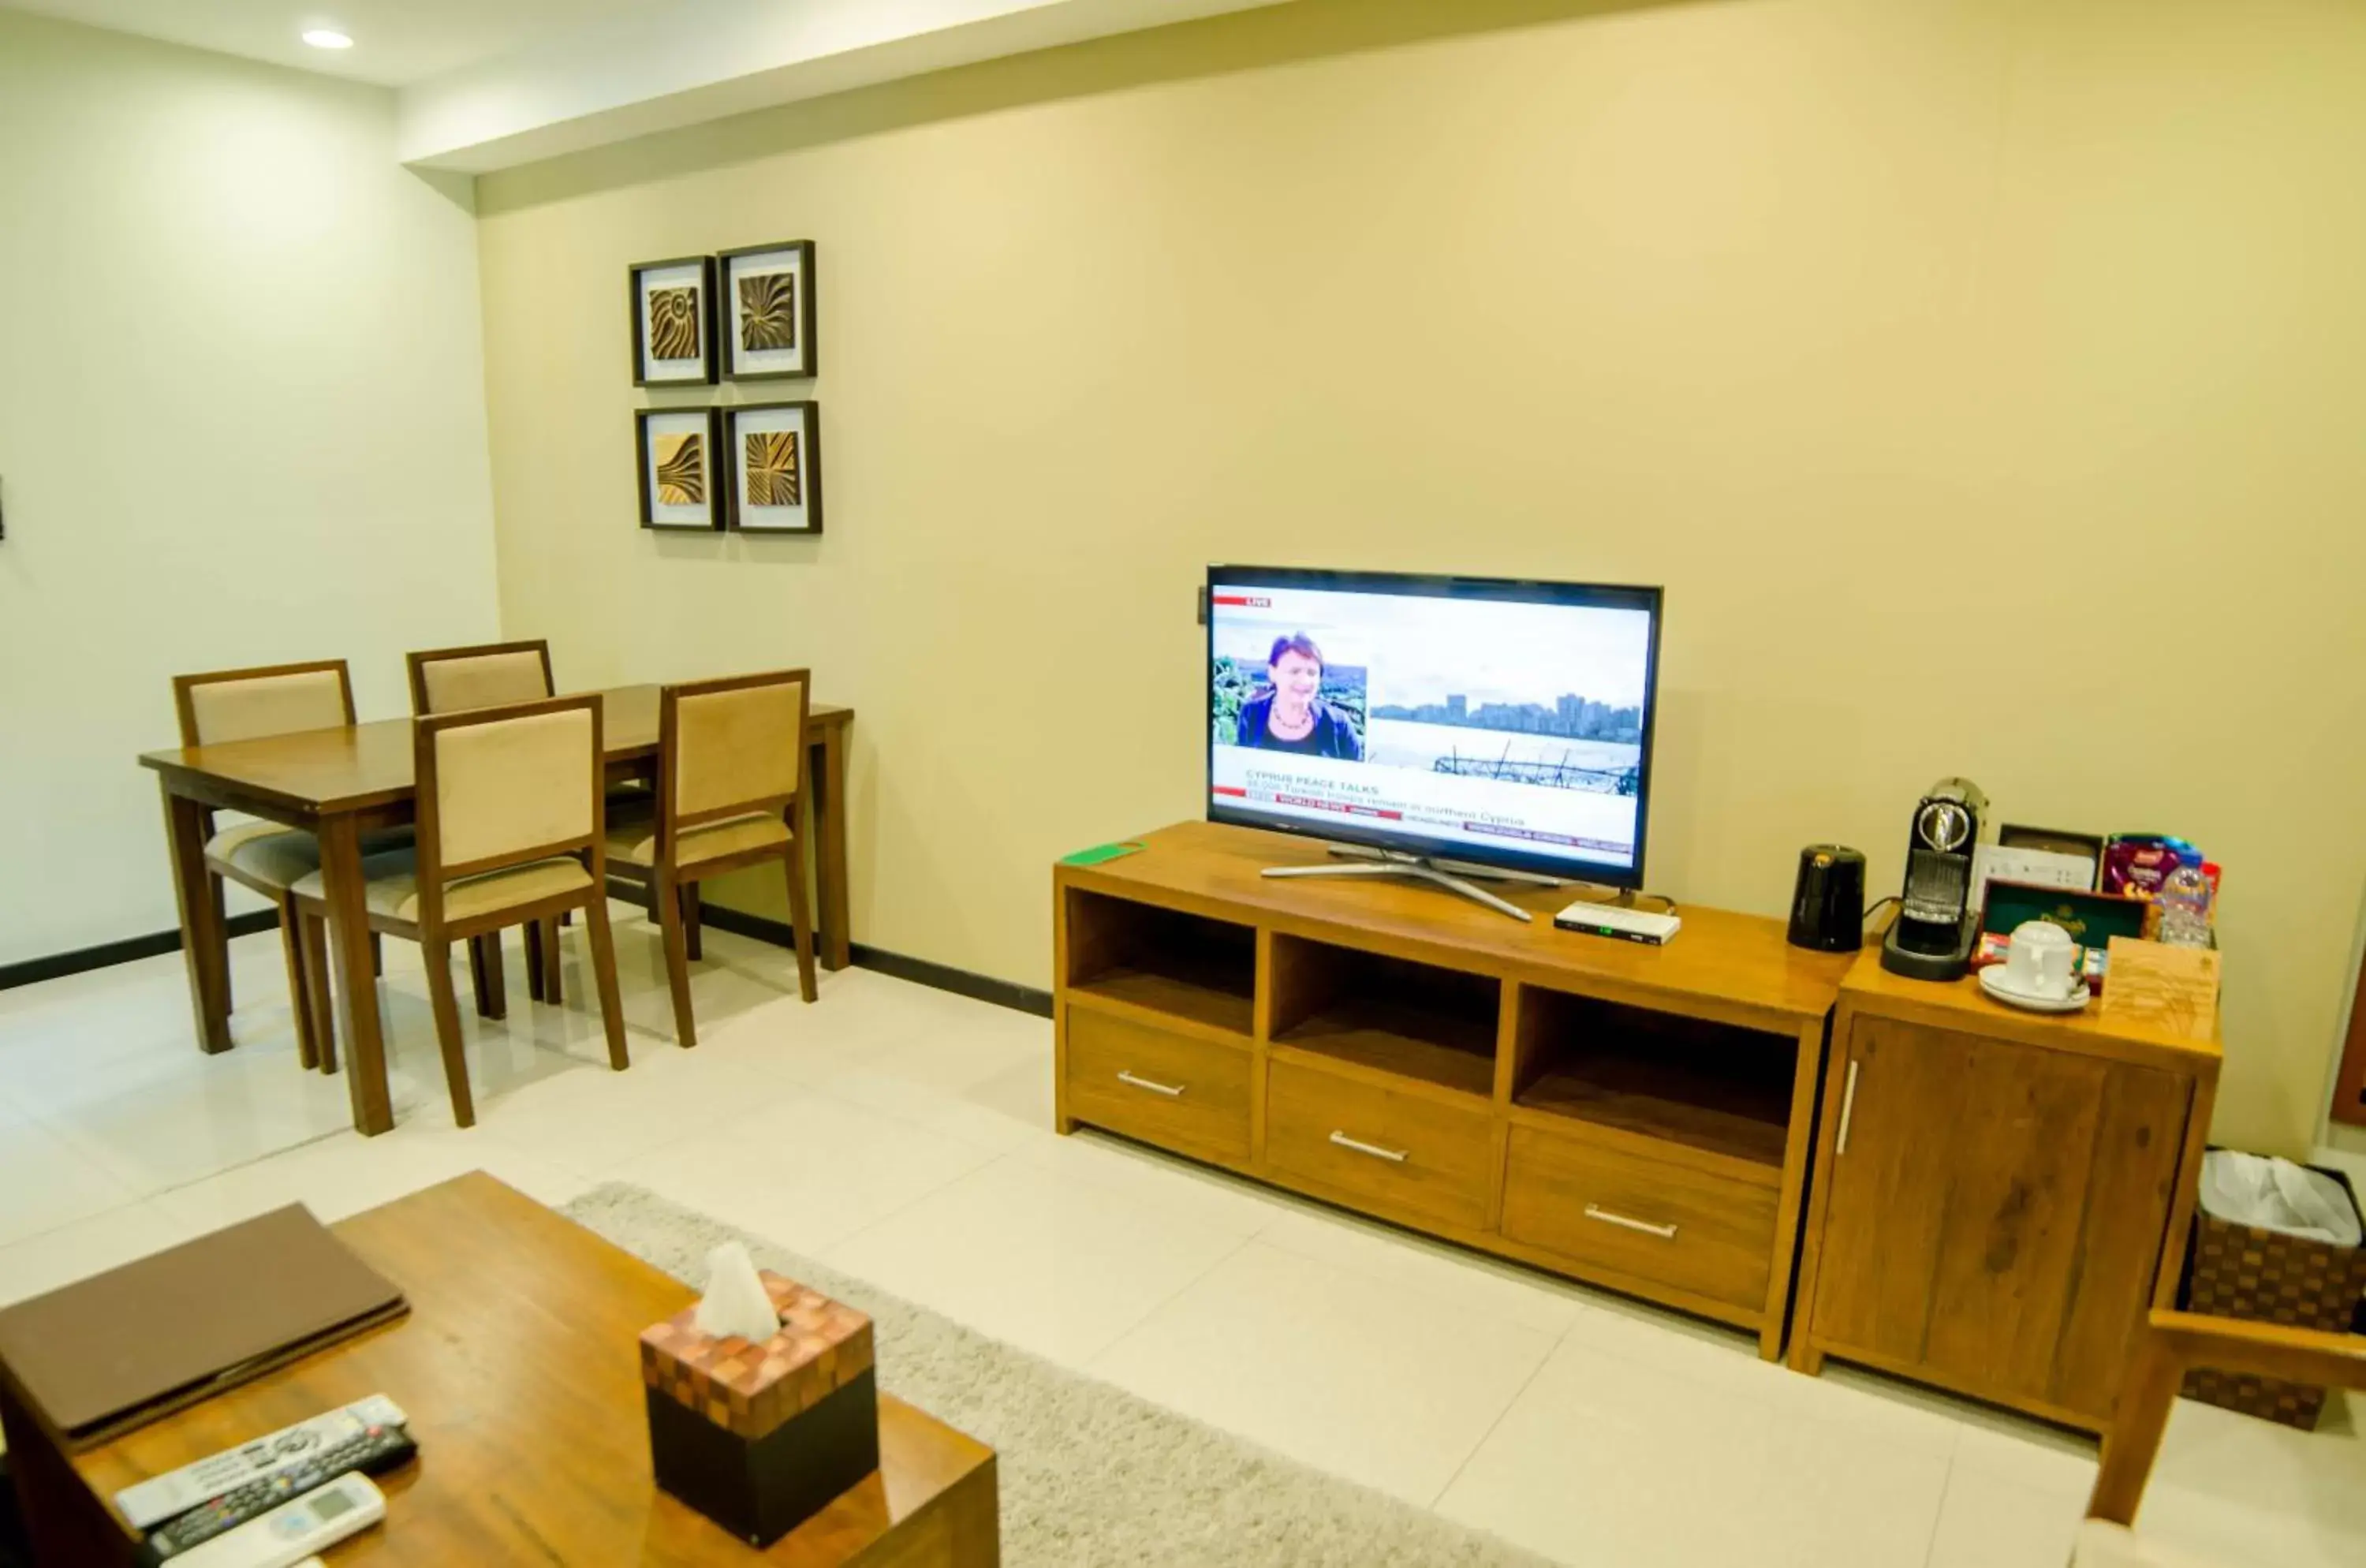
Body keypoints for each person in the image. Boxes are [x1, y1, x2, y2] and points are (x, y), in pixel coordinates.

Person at [1234, 633, 1364, 759]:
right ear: (1273, 673)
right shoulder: (1251, 714)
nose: (1304, 681)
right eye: (1294, 671)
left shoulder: (1339, 724)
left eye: (1312, 673)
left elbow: (1356, 777)